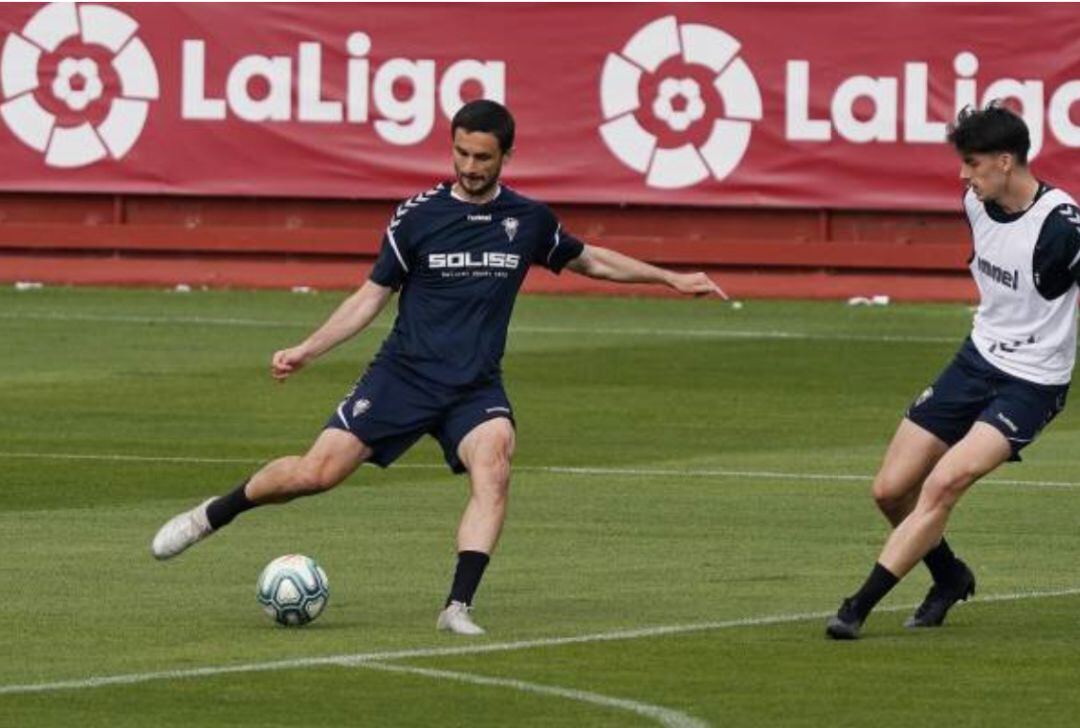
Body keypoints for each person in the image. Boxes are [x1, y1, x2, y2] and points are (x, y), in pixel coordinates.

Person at [151, 99, 724, 635]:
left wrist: (669, 277)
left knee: (494, 465)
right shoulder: (417, 218)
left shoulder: (528, 219)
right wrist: (308, 349)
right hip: (403, 376)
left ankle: (456, 606)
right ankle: (212, 514)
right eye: (461, 154)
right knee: (312, 476)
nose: (470, 167)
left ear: (506, 156)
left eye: (482, 157)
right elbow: (370, 297)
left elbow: (590, 260)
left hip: (473, 386)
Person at [826, 102, 1080, 640]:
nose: (963, 175)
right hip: (975, 361)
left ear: (1005, 161)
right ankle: (949, 577)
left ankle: (856, 608)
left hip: (1032, 382)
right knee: (890, 491)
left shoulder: (1062, 229)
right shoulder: (975, 203)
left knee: (944, 483)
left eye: (972, 162)